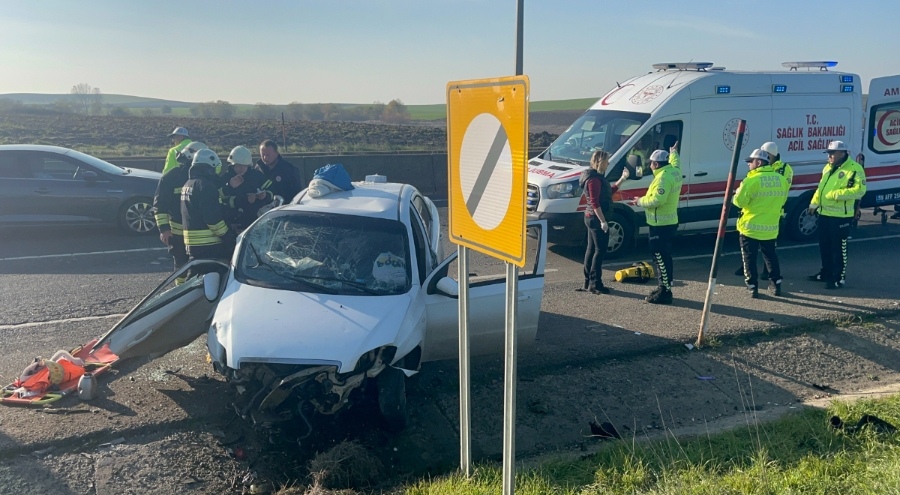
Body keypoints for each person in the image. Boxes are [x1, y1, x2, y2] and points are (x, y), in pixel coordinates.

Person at [807, 141, 867, 289]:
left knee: (839, 248)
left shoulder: (854, 169)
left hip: (841, 216)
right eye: (828, 153)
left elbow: (860, 190)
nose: (829, 156)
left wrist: (836, 194)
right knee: (824, 246)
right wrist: (814, 204)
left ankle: (839, 277)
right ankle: (826, 273)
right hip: (825, 214)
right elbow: (820, 188)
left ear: (842, 153)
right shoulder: (828, 167)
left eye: (832, 153)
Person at [732, 149, 788, 298]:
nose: (749, 165)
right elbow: (782, 201)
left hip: (750, 227)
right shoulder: (781, 179)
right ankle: (775, 285)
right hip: (770, 227)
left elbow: (739, 202)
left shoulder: (751, 180)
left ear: (758, 162)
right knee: (770, 257)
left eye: (750, 162)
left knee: (749, 258)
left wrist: (736, 193)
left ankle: (752, 287)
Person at [631, 143, 683, 304]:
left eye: (651, 163)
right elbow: (676, 163)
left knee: (660, 258)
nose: (650, 166)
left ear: (656, 164)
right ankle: (664, 286)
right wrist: (673, 152)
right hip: (668, 222)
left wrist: (639, 201)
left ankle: (665, 291)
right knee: (664, 256)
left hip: (661, 224)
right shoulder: (673, 171)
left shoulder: (663, 178)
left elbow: (657, 200)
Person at [154, 141, 208, 284]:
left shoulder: (204, 178)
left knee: (199, 265)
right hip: (177, 232)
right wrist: (164, 229)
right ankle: (180, 292)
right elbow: (160, 205)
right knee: (181, 264)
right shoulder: (171, 177)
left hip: (199, 232)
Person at [577, 149, 621, 294]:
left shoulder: (593, 176)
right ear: (601, 162)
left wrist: (622, 179)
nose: (608, 163)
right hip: (596, 218)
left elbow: (607, 193)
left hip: (589, 217)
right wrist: (603, 221)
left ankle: (587, 282)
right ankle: (596, 284)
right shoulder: (594, 180)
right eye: (607, 160)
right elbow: (595, 202)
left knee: (591, 250)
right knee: (599, 251)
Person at [181, 149, 236, 265]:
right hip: (209, 244)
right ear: (208, 169)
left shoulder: (188, 184)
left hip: (192, 244)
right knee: (216, 276)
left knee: (198, 276)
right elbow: (213, 219)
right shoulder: (205, 186)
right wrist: (228, 237)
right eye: (214, 169)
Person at [220, 145, 267, 232]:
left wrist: (265, 196)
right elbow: (219, 200)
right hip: (232, 225)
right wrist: (229, 186)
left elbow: (271, 191)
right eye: (238, 165)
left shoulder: (257, 176)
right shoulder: (225, 178)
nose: (241, 169)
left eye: (244, 166)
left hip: (255, 224)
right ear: (232, 164)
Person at [254, 139, 302, 205]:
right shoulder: (258, 167)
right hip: (262, 208)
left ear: (276, 154)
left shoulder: (289, 170)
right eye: (263, 155)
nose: (265, 158)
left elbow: (296, 193)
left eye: (268, 155)